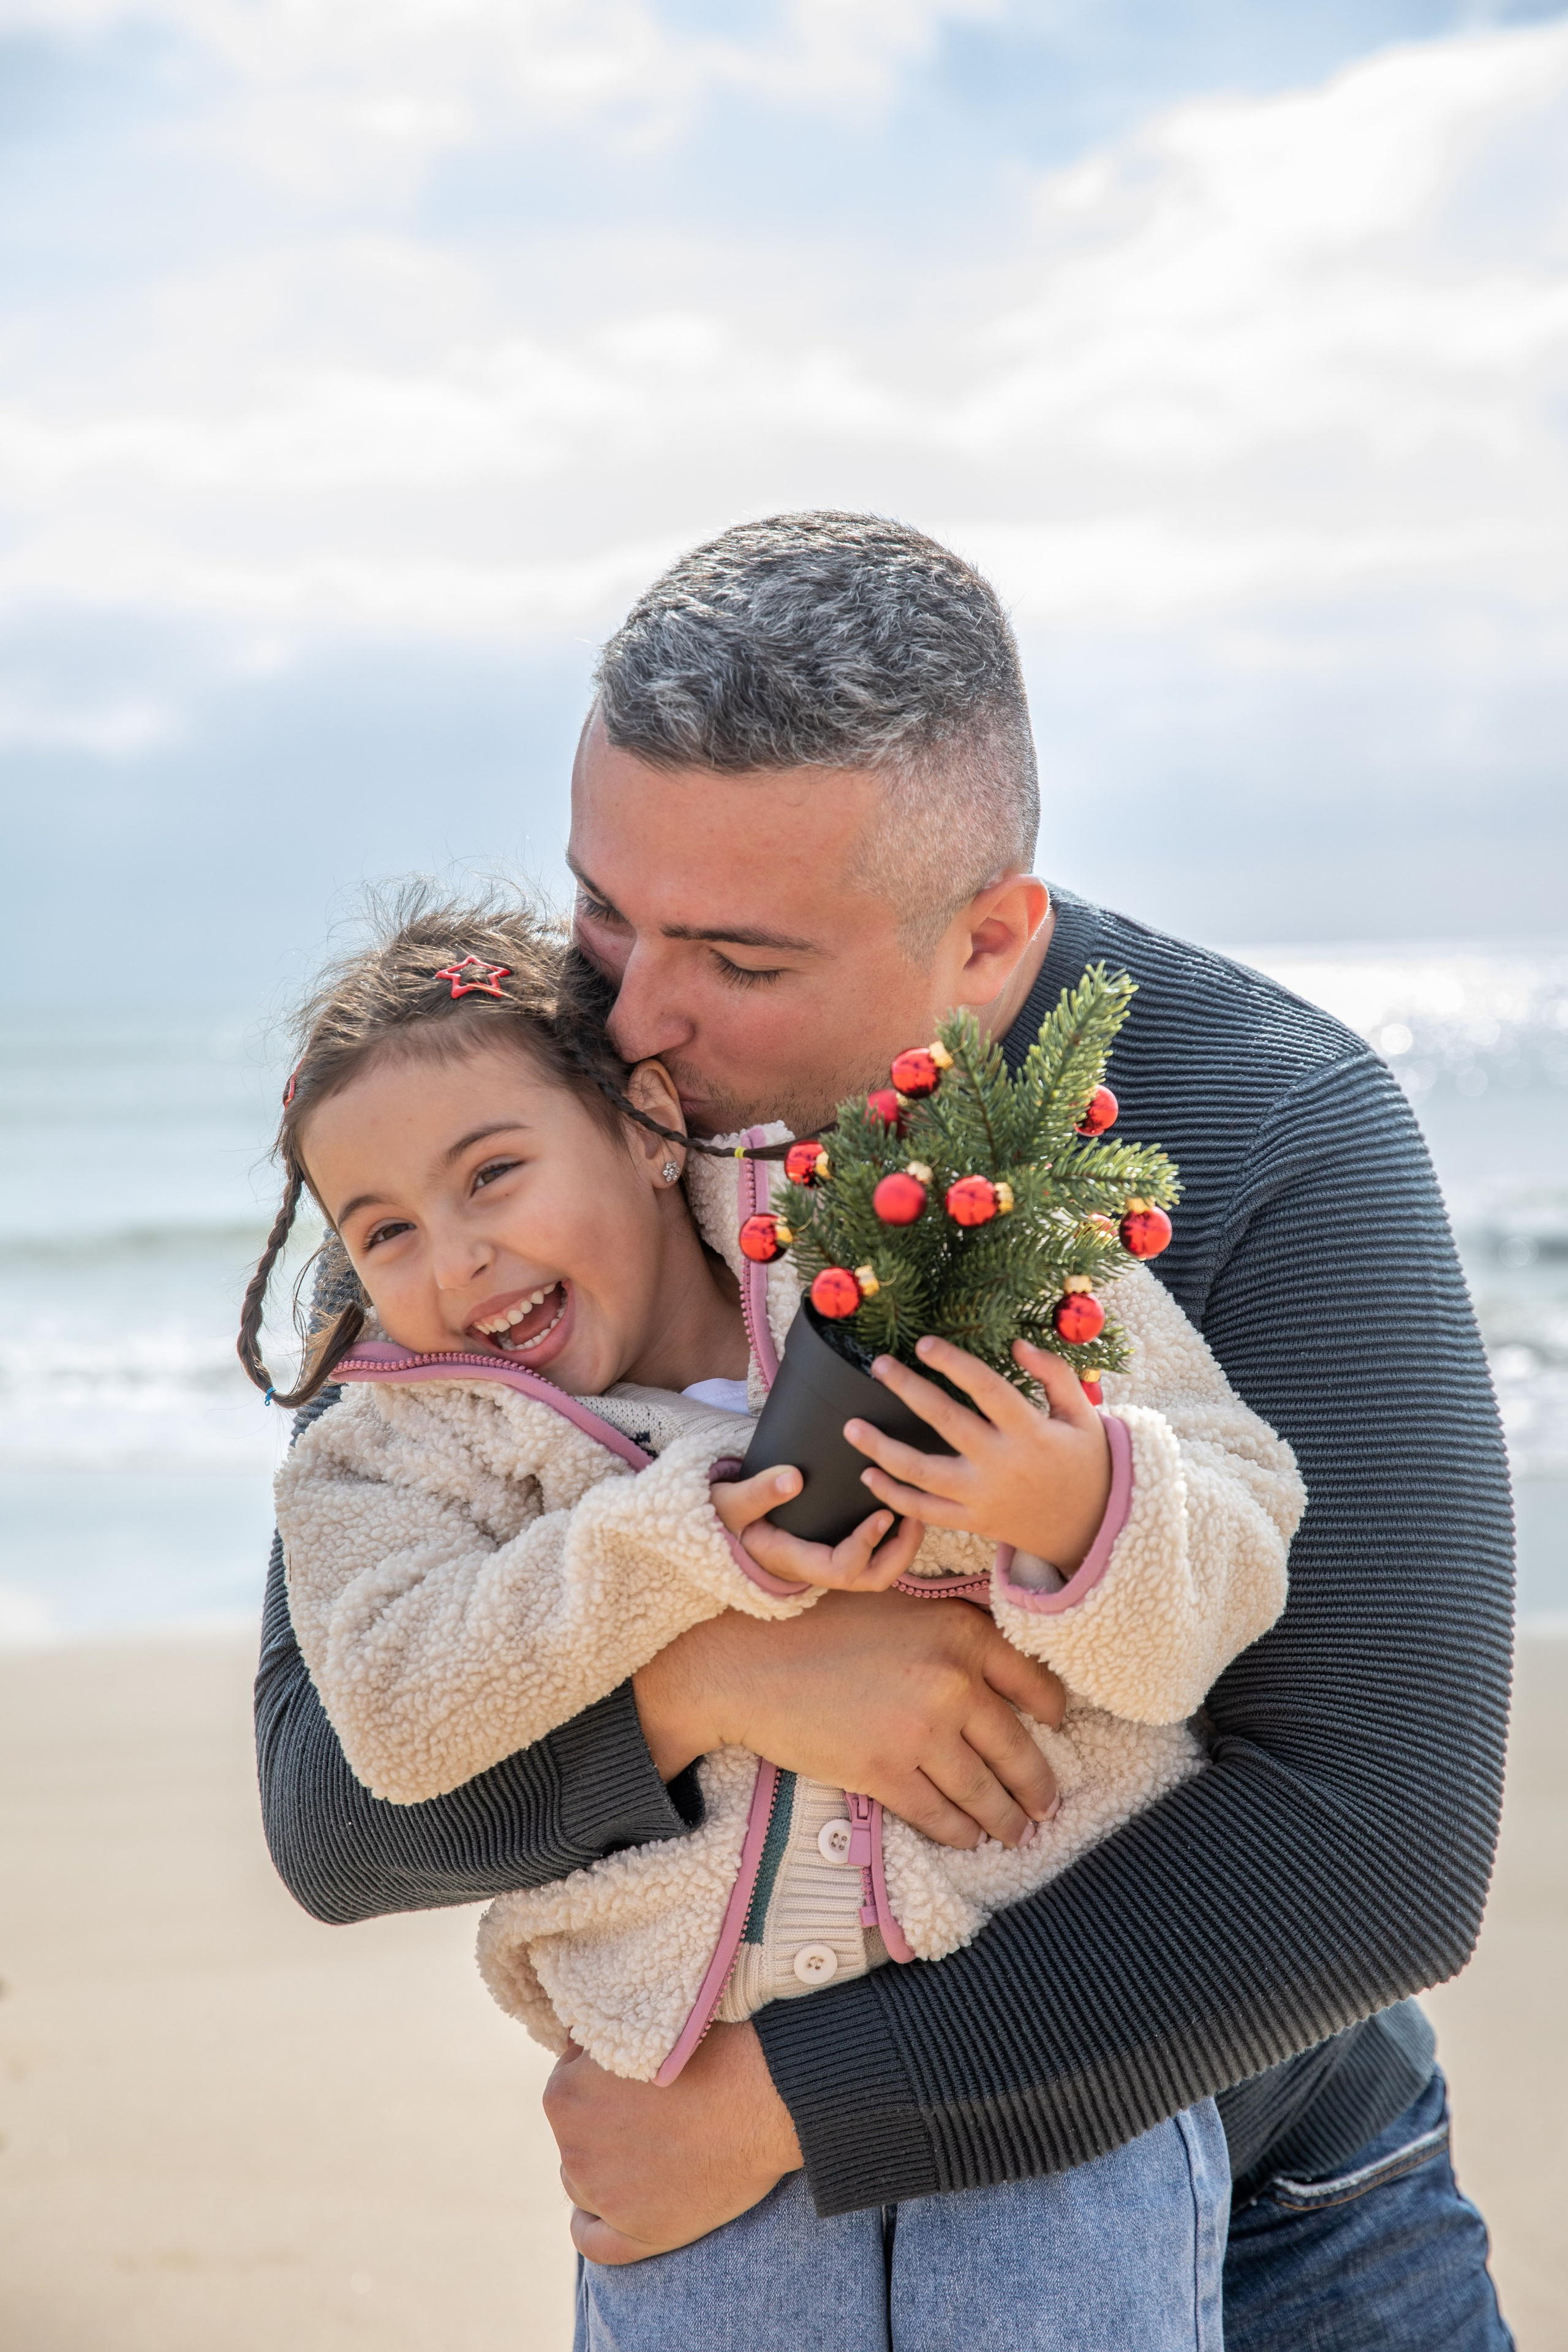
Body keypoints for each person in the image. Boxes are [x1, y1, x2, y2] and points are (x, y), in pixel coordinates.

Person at [254, 514, 1515, 2349]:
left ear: (991, 938)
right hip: (742, 2233)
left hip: (1284, 2214)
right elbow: (335, 1812)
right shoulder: (515, 1137)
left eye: (740, 960)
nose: (634, 1012)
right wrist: (715, 1683)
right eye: (606, 906)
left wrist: (788, 2110)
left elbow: (1376, 1838)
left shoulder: (1266, 1125)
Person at [247, 888, 1302, 2346]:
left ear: (639, 1122)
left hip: (1037, 2058)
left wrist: (1078, 1505)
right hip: (677, 2101)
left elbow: (1243, 1529)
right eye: (385, 1234)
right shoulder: (389, 1454)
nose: (454, 1259)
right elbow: (399, 1711)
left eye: (491, 1174)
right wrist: (682, 1555)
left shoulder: (922, 1242)